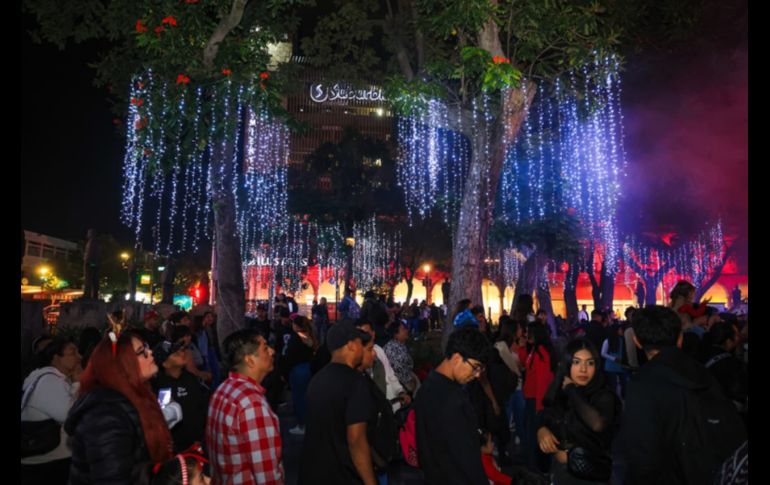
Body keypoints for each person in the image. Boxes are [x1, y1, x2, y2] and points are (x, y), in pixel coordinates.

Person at [619, 306, 746, 484]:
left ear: (637, 341)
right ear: (680, 339)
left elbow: (642, 453)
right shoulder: (704, 372)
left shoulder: (642, 383)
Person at [65, 330, 173, 484]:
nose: (150, 353)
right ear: (122, 366)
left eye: (146, 347)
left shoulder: (136, 395)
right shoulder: (105, 416)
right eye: (141, 352)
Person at [299, 321, 376, 485]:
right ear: (352, 345)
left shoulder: (317, 379)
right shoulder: (355, 382)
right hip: (342, 475)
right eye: (360, 343)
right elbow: (356, 440)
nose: (363, 348)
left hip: (313, 473)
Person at [414, 326, 491, 485]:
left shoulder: (427, 386)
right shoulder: (452, 399)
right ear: (457, 358)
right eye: (475, 367)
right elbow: (466, 459)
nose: (477, 375)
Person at [206, 329, 284, 484]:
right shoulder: (252, 404)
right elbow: (267, 475)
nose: (272, 351)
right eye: (265, 348)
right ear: (250, 360)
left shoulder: (223, 389)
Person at [538, 338, 620, 484]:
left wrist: (572, 390)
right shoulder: (560, 391)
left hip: (589, 477)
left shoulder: (603, 395)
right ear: (567, 364)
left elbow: (597, 424)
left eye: (590, 363)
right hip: (560, 472)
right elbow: (546, 412)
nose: (583, 369)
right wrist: (541, 430)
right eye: (576, 362)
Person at [21, 337, 83, 485]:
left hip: (51, 460)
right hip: (46, 464)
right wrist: (77, 383)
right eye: (72, 353)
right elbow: (70, 416)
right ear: (56, 359)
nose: (80, 357)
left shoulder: (55, 379)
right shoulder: (49, 381)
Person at [151, 339, 209, 453]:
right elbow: (165, 419)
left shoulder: (191, 379)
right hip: (178, 449)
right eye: (174, 353)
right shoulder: (161, 387)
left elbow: (203, 407)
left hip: (199, 443)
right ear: (165, 363)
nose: (181, 353)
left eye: (180, 351)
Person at [522, 324, 557, 473]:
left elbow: (543, 381)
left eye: (527, 332)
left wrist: (539, 407)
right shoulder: (536, 350)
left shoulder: (541, 352)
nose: (525, 334)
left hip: (537, 400)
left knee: (534, 435)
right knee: (530, 433)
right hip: (531, 397)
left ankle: (536, 469)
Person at [356, 320, 410, 411]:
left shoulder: (379, 350)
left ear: (373, 333)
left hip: (392, 402)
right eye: (358, 334)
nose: (362, 337)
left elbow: (390, 374)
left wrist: (400, 392)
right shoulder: (357, 361)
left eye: (365, 333)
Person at [282, 316, 319, 435]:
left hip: (297, 369)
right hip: (307, 368)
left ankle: (301, 424)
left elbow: (290, 356)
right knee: (305, 396)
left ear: (296, 326)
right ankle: (307, 423)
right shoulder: (308, 336)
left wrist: (284, 371)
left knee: (298, 397)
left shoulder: (296, 338)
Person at [383, 321, 417, 394]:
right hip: (401, 385)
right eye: (403, 329)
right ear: (396, 334)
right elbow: (398, 370)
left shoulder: (398, 345)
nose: (406, 331)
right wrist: (410, 380)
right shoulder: (393, 348)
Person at [601, 323, 628, 398]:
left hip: (619, 364)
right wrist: (614, 358)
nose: (622, 331)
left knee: (623, 383)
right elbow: (603, 353)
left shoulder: (621, 339)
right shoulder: (607, 341)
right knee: (614, 385)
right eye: (620, 329)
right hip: (612, 365)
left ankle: (622, 398)